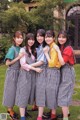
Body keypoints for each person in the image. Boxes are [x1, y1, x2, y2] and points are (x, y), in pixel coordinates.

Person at [15, 33, 42, 120]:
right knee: (23, 94)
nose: (31, 41)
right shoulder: (23, 50)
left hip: (32, 76)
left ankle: (27, 112)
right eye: (29, 39)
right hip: (25, 75)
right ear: (26, 40)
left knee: (29, 94)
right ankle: (23, 117)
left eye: (32, 39)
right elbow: (23, 64)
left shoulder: (34, 50)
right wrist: (35, 69)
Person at [53, 30, 75, 120]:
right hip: (62, 71)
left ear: (67, 38)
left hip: (67, 72)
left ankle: (65, 118)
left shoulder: (68, 48)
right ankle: (67, 113)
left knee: (63, 94)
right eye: (60, 37)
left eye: (63, 37)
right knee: (64, 93)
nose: (61, 39)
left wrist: (58, 51)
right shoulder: (61, 46)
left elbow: (62, 62)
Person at [3, 31, 24, 120]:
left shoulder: (21, 48)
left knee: (19, 92)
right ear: (14, 39)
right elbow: (7, 63)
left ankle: (21, 109)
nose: (19, 39)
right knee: (11, 91)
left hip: (19, 73)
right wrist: (18, 58)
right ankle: (9, 110)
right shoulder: (12, 49)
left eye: (21, 38)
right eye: (18, 38)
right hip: (12, 73)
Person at [43, 30, 61, 120]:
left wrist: (46, 53)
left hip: (53, 71)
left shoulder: (53, 47)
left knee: (52, 92)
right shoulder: (50, 46)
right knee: (50, 92)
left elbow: (52, 63)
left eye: (50, 37)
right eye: (46, 37)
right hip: (51, 71)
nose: (47, 38)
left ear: (54, 38)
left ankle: (53, 115)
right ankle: (51, 112)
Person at [30, 29, 47, 120]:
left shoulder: (45, 47)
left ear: (44, 37)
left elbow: (41, 62)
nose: (39, 38)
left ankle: (40, 116)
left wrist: (27, 66)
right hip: (37, 71)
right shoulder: (39, 46)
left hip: (42, 71)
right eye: (38, 36)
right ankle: (35, 106)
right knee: (35, 89)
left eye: (41, 36)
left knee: (40, 92)